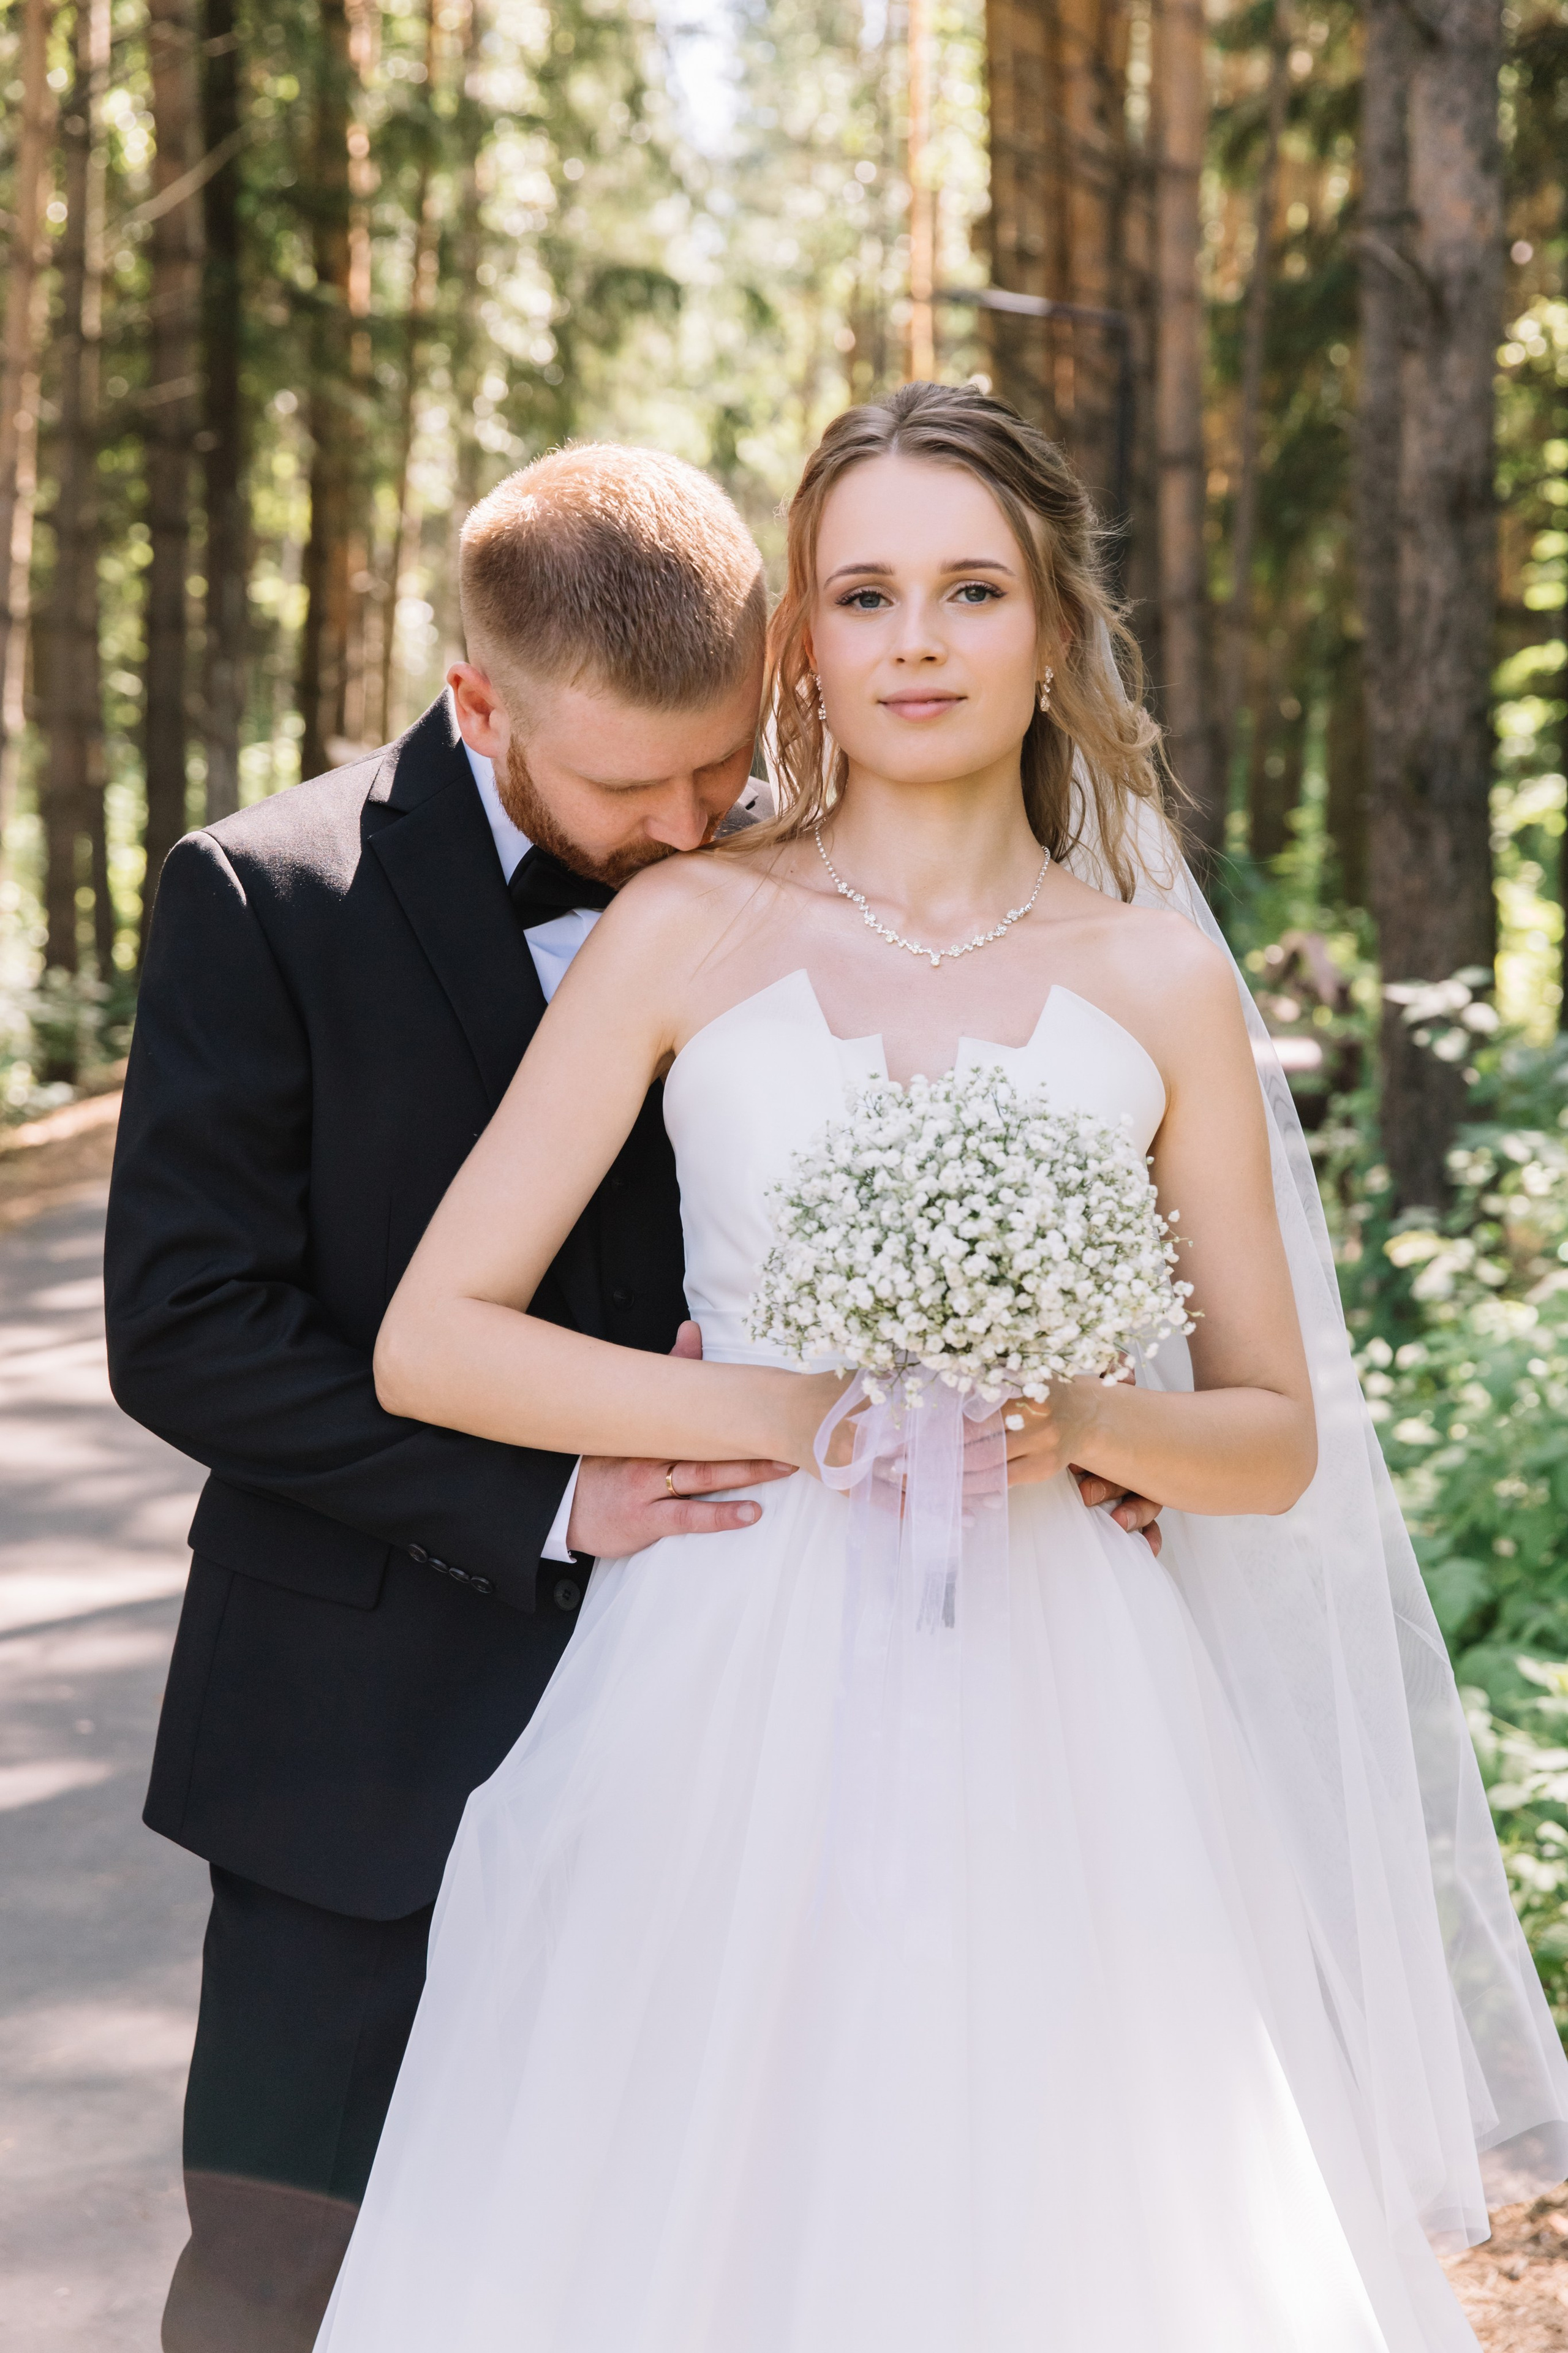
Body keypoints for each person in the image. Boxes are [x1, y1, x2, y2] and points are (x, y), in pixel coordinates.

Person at [316, 382, 1568, 2352]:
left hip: (1074, 1698)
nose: (918, 640)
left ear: (1050, 625)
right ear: (798, 638)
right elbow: (432, 1337)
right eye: (868, 593)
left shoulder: (1155, 978)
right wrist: (800, 1416)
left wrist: (1074, 1422)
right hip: (722, 1687)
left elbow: (1269, 1435)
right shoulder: (683, 928)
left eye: (972, 590)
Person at [106, 437, 1161, 2353]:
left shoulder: (781, 888)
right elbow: (185, 1325)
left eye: (723, 761)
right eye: (628, 781)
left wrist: (1064, 1413)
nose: (691, 821)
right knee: (289, 2267)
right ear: (475, 700)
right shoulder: (268, 894)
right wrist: (551, 1491)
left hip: (759, 1712)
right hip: (364, 1725)